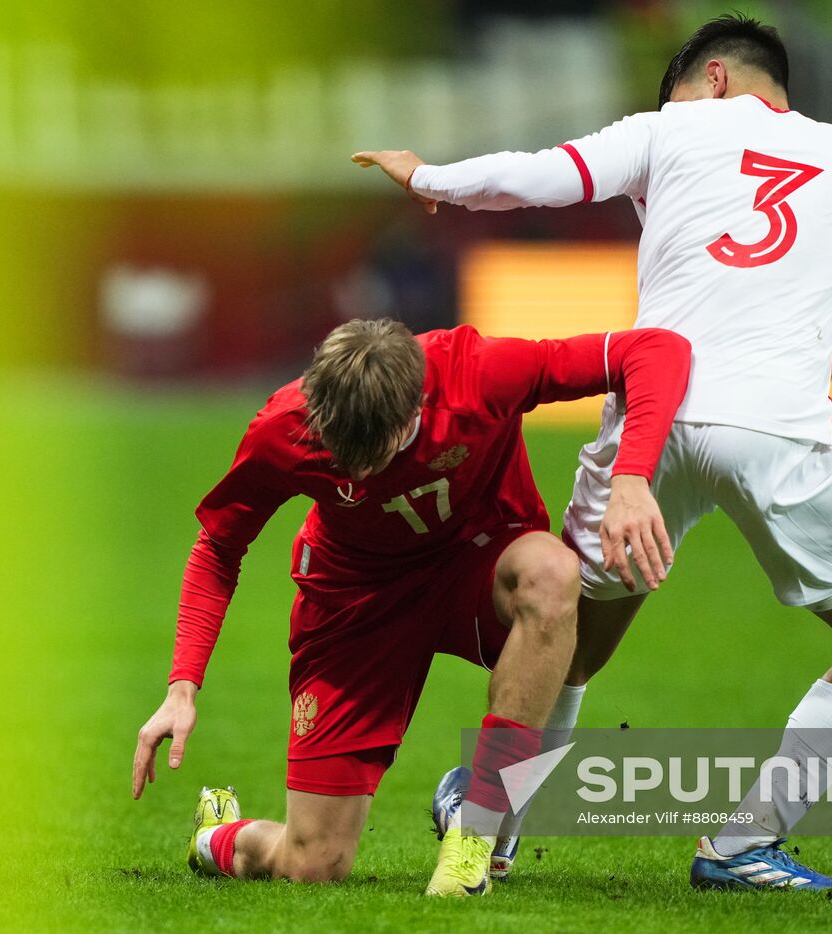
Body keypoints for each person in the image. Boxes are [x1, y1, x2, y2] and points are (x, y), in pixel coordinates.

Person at [353, 14, 832, 891]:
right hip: (776, 432)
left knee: (571, 648)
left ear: (713, 77)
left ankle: (488, 831)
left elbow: (539, 177)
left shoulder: (671, 129)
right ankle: (744, 842)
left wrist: (429, 175)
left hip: (651, 421)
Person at [131, 318, 691, 896]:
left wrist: (631, 477)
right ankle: (216, 835)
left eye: (374, 455)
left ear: (414, 411)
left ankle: (476, 831)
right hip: (356, 599)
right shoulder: (284, 426)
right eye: (340, 454)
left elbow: (655, 348)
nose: (357, 473)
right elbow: (220, 545)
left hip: (478, 561)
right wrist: (182, 686)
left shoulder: (477, 373)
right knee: (313, 864)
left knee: (552, 575)